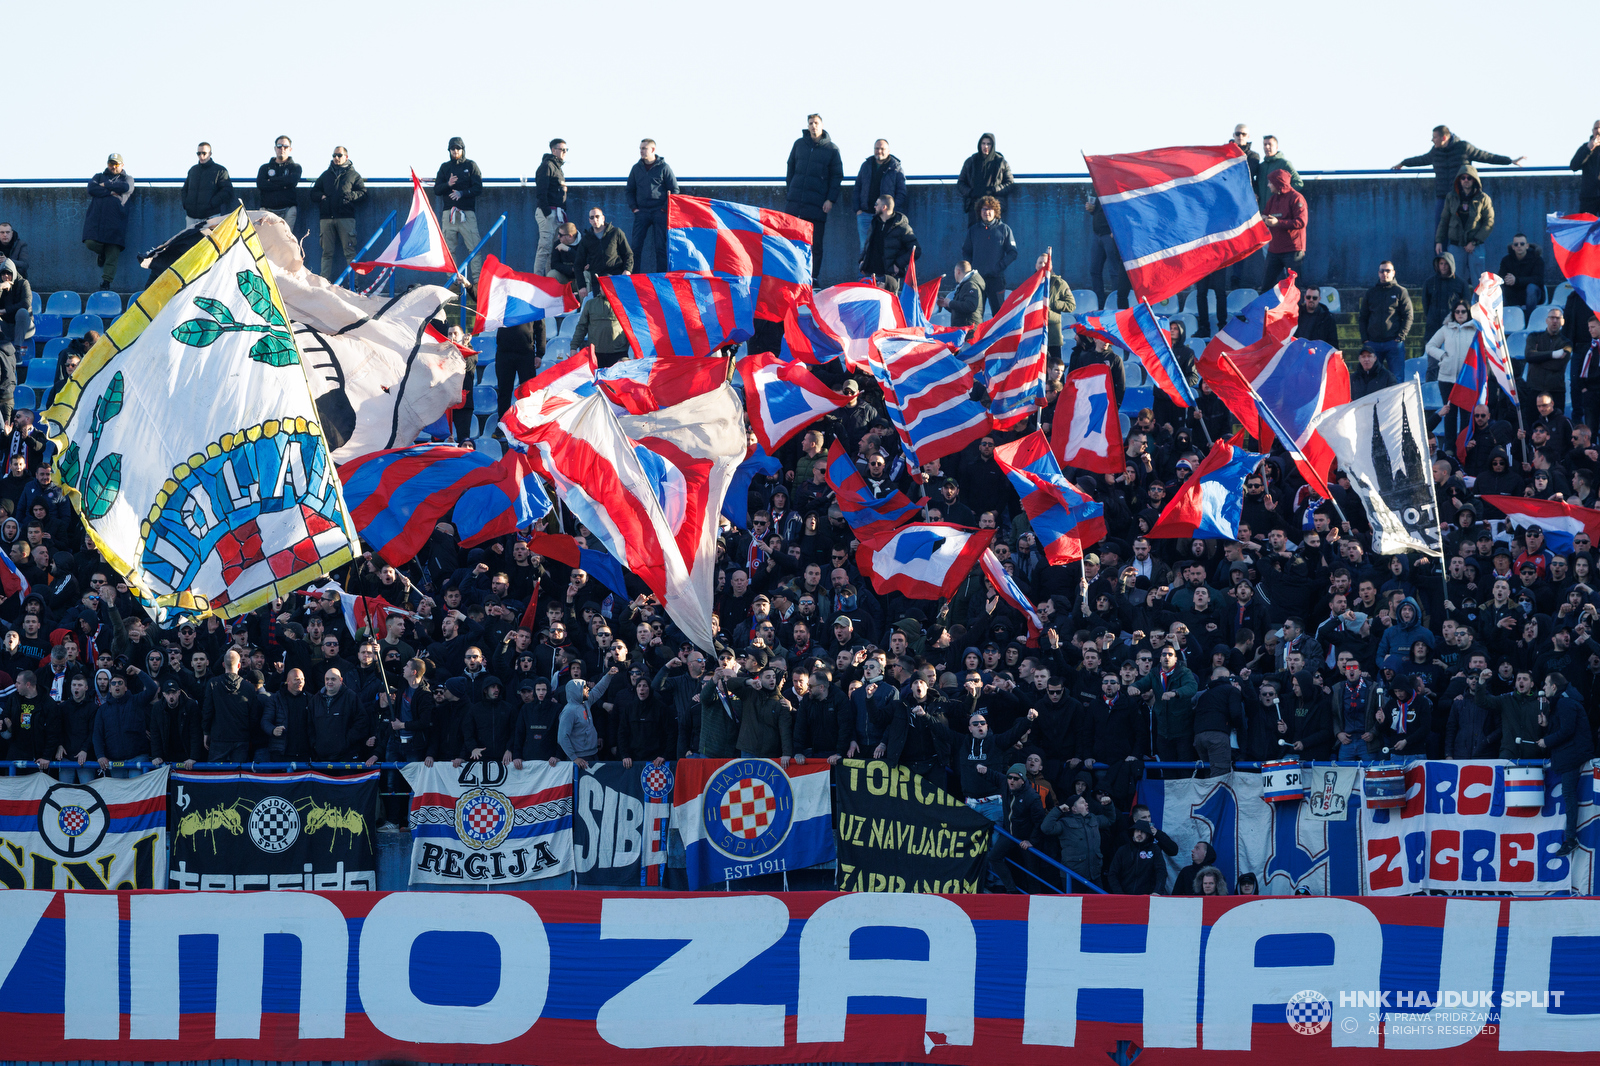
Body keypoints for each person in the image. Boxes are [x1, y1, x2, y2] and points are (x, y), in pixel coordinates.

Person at [1392, 125, 1522, 235]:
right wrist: (1404, 163)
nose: (1432, 140)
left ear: (1444, 138)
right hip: (1443, 197)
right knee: (1440, 232)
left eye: (1434, 137)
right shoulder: (1435, 152)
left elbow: (1486, 156)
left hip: (1462, 197)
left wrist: (1509, 161)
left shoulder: (1463, 147)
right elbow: (1421, 159)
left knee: (1461, 232)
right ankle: (1441, 262)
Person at [1539, 672, 1593, 856]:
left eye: (1546, 684)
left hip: (1572, 755)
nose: (1543, 688)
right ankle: (1570, 837)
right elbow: (1564, 728)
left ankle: (1570, 839)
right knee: (1568, 795)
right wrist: (1546, 725)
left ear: (1554, 686)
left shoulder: (1565, 703)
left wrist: (1547, 741)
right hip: (1571, 754)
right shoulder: (1564, 702)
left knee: (1568, 795)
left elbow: (1567, 731)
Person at [784, 114, 843, 285]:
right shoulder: (799, 145)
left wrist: (830, 199)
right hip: (795, 204)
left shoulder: (832, 149)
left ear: (822, 125)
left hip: (817, 205)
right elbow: (791, 168)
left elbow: (836, 176)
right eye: (810, 123)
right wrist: (791, 191)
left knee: (815, 244)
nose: (813, 126)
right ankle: (793, 276)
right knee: (792, 242)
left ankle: (813, 277)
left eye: (816, 123)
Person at [434, 137, 485, 285]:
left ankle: (477, 283)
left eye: (458, 148)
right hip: (448, 214)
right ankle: (453, 282)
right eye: (452, 149)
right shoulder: (444, 167)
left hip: (467, 213)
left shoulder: (471, 165)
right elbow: (437, 189)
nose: (455, 151)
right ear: (449, 150)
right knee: (449, 251)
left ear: (463, 149)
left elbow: (478, 188)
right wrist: (448, 184)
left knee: (475, 248)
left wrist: (462, 193)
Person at [311, 147, 365, 279]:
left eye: (339, 155)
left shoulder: (354, 175)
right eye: (334, 155)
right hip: (326, 218)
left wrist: (349, 196)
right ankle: (324, 283)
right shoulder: (325, 175)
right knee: (326, 253)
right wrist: (322, 197)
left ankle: (354, 285)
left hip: (345, 218)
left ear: (346, 157)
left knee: (350, 252)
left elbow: (363, 193)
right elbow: (313, 192)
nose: (336, 158)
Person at [1435, 164, 1495, 285]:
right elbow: (1444, 220)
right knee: (1455, 280)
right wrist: (1439, 241)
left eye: (1469, 178)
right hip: (1456, 244)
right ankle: (1458, 304)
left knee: (1479, 281)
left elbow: (1489, 222)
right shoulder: (1451, 197)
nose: (1466, 180)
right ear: (1459, 180)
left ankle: (1479, 304)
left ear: (1474, 180)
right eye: (1463, 178)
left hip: (1475, 245)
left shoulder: (1483, 198)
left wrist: (1474, 242)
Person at [626, 139, 679, 273]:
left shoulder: (663, 167)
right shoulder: (636, 168)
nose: (641, 151)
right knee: (636, 246)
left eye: (644, 148)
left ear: (653, 150)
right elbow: (629, 190)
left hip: (659, 211)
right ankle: (635, 276)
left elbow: (674, 190)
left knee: (660, 247)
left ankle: (661, 277)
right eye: (640, 148)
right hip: (642, 211)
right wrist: (634, 208)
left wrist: (664, 208)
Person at [1041, 792, 1113, 890]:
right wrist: (1058, 810)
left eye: (1086, 802)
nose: (1086, 804)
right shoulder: (1064, 823)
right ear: (1074, 809)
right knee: (1074, 904)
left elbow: (1110, 819)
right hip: (1073, 876)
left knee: (1097, 904)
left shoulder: (1093, 819)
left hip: (1094, 875)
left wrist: (1108, 805)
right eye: (1082, 803)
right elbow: (1046, 828)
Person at [83, 154, 135, 289]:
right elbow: (92, 188)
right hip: (97, 220)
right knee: (90, 242)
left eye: (117, 164)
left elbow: (126, 188)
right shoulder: (98, 176)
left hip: (117, 220)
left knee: (113, 252)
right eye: (111, 163)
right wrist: (111, 192)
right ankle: (101, 253)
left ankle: (106, 283)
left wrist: (105, 185)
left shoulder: (127, 179)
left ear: (122, 165)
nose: (113, 166)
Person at [1358, 260, 1413, 380]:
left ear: (1393, 273)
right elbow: (1362, 317)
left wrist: (1400, 337)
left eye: (1388, 270)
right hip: (1373, 343)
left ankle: (1397, 400)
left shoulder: (1400, 292)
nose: (1385, 273)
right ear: (1378, 273)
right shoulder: (1371, 293)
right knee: (1371, 378)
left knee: (1397, 378)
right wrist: (1365, 339)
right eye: (1382, 271)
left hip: (1393, 343)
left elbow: (1408, 316)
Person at [962, 196, 1016, 317]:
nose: (987, 212)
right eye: (984, 209)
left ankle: (999, 337)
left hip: (996, 279)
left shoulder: (1004, 229)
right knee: (975, 314)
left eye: (990, 209)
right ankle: (975, 336)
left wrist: (999, 266)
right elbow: (966, 251)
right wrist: (972, 268)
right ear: (979, 212)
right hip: (977, 280)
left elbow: (1013, 252)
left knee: (999, 314)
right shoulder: (973, 230)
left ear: (995, 211)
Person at [854, 139, 907, 251]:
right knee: (865, 248)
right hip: (865, 214)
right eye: (877, 148)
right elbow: (857, 187)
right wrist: (857, 209)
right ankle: (865, 269)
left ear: (888, 151)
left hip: (885, 216)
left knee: (885, 248)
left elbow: (901, 192)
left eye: (882, 149)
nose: (879, 151)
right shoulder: (866, 165)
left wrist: (892, 211)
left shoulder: (895, 168)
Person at [858, 195, 917, 293]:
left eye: (876, 204)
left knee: (889, 304)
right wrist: (862, 261)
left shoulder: (901, 227)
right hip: (872, 275)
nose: (874, 207)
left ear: (884, 207)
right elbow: (868, 244)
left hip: (889, 277)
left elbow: (916, 250)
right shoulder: (875, 223)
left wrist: (898, 264)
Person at [1260, 168, 1306, 289]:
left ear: (1278, 183)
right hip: (1274, 249)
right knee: (1266, 286)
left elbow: (1301, 222)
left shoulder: (1296, 198)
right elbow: (1265, 213)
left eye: (1271, 182)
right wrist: (1264, 217)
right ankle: (1266, 308)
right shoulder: (1273, 199)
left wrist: (1278, 223)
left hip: (1292, 250)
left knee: (1295, 286)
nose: (1268, 185)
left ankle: (1297, 308)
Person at [1084, 193, 1130, 311]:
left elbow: (1122, 210)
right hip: (1097, 234)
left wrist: (1116, 230)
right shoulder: (1098, 187)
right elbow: (1097, 211)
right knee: (1094, 271)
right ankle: (1099, 304)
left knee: (1115, 272)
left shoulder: (1114, 188)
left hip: (1110, 235)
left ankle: (1114, 303)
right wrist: (1092, 210)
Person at [1524, 308, 1571, 423]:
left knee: (1557, 426)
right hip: (1534, 389)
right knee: (1532, 426)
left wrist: (1538, 359)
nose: (1554, 321)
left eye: (1558, 318)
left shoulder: (1567, 343)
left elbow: (1558, 365)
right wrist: (1553, 354)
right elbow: (1529, 356)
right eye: (1552, 318)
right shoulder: (1534, 336)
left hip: (1556, 391)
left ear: (1562, 322)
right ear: (1546, 320)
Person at [573, 207, 633, 296]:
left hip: (616, 276)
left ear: (603, 218)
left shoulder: (616, 233)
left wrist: (627, 270)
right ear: (589, 220)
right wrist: (582, 286)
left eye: (597, 216)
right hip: (598, 280)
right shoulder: (586, 239)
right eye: (592, 217)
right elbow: (578, 264)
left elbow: (628, 254)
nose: (595, 219)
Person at [956, 133, 1013, 224]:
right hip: (975, 205)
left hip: (994, 205)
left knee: (993, 233)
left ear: (993, 145)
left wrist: (994, 190)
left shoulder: (1001, 162)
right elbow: (961, 183)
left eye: (988, 144)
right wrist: (971, 192)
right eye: (983, 143)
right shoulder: (971, 162)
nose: (985, 146)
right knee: (974, 233)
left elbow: (1009, 183)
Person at [0, 257, 31, 424]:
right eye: (3, 274)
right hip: (6, 324)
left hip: (22, 322)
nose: (6, 277)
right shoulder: (1, 284)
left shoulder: (23, 283)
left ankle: (18, 350)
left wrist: (5, 310)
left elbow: (26, 303)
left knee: (21, 313)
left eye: (8, 274)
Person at [570, 286, 631, 368]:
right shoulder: (590, 304)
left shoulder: (624, 305)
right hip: (596, 354)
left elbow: (633, 328)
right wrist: (574, 347)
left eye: (607, 285)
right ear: (599, 287)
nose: (604, 288)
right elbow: (581, 327)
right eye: (602, 285)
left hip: (619, 354)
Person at [534, 138, 569, 275]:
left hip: (557, 214)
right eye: (562, 149)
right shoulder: (547, 166)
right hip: (548, 213)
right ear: (554, 150)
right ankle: (537, 280)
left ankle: (549, 280)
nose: (564, 152)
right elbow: (541, 191)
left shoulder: (558, 168)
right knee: (544, 249)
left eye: (566, 150)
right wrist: (547, 213)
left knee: (553, 250)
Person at [182, 142, 235, 227]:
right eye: (198, 153)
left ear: (210, 153)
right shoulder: (193, 170)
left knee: (209, 240)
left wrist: (211, 204)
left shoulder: (220, 170)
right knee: (191, 240)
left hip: (210, 217)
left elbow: (227, 191)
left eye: (204, 153)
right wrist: (186, 204)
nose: (201, 156)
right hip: (191, 217)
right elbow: (185, 189)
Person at [255, 136, 302, 232]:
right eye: (279, 146)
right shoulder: (265, 168)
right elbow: (261, 184)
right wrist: (283, 184)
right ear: (275, 148)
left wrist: (271, 181)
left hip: (288, 210)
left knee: (286, 240)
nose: (282, 149)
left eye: (285, 146)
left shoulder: (295, 167)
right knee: (265, 240)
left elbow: (292, 181)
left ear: (290, 149)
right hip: (267, 210)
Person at [1422, 252, 1470, 341]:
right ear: (1437, 265)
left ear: (1451, 264)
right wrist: (1430, 316)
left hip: (1452, 324)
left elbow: (1466, 304)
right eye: (1441, 263)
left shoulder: (1461, 283)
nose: (1443, 266)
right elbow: (1425, 303)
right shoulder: (1429, 282)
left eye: (1446, 263)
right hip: (1433, 325)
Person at [1499, 232, 1546, 320]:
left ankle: (1529, 320)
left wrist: (1516, 280)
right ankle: (1503, 320)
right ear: (1513, 247)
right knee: (1499, 288)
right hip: (1513, 294)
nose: (1519, 246)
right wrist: (1507, 280)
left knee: (1531, 288)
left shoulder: (1537, 260)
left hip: (1533, 296)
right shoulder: (1506, 260)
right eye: (1516, 244)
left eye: (1522, 244)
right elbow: (1500, 277)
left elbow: (1539, 279)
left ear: (1527, 246)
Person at [1256, 135, 1303, 211]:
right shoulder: (1261, 167)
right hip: (1262, 211)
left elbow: (1298, 183)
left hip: (1279, 211)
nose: (1267, 147)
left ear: (1276, 147)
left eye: (1270, 144)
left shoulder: (1284, 164)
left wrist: (1282, 195)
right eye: (1265, 144)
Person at [938, 260, 985, 328]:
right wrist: (947, 305)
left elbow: (970, 306)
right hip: (965, 329)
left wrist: (950, 303)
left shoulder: (970, 285)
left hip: (969, 330)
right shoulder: (965, 285)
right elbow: (961, 310)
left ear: (958, 271)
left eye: (954, 272)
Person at [1571, 119, 1600, 216]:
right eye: (1596, 128)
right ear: (1593, 130)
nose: (1598, 130)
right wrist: (1589, 149)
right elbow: (1574, 165)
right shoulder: (1585, 147)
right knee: (1586, 227)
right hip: (1588, 197)